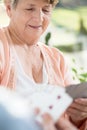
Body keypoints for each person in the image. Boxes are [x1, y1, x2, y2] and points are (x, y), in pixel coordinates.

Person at [0, 0, 86, 129]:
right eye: (30, 9)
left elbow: (67, 121)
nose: (39, 18)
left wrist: (78, 116)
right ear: (9, 9)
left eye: (46, 10)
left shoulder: (57, 58)